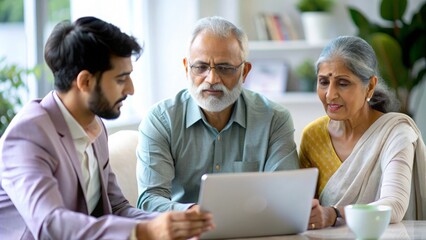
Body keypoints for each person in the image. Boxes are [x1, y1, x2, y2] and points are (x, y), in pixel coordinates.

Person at [0, 16, 213, 239]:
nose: (131, 89)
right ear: (85, 82)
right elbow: (50, 223)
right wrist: (144, 232)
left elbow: (118, 208)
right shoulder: (28, 135)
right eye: (121, 79)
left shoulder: (94, 125)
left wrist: (180, 221)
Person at [136, 16, 299, 212]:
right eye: (201, 67)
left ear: (244, 72)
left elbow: (286, 195)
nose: (212, 79)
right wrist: (194, 215)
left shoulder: (274, 119)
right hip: (187, 230)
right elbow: (149, 200)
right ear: (187, 68)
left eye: (224, 68)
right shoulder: (161, 120)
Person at [299, 35, 426, 230]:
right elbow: (303, 207)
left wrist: (334, 214)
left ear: (370, 87)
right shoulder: (313, 136)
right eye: (323, 82)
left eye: (343, 83)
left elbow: (394, 205)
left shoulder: (395, 134)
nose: (330, 94)